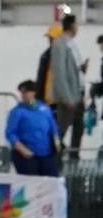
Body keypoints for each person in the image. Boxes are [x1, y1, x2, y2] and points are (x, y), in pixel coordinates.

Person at [48, 14, 87, 160]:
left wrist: (81, 69)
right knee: (61, 130)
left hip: (78, 93)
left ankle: (74, 156)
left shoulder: (72, 44)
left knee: (79, 128)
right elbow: (59, 72)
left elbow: (72, 69)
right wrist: (65, 97)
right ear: (71, 25)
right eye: (76, 24)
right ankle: (54, 159)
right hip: (69, 96)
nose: (78, 28)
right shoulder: (59, 44)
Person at [6, 80, 60, 176]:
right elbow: (10, 133)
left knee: (51, 182)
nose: (23, 95)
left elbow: (53, 128)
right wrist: (22, 149)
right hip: (27, 156)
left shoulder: (45, 108)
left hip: (47, 154)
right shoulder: (17, 112)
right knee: (31, 184)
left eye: (26, 92)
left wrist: (57, 144)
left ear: (33, 92)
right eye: (22, 92)